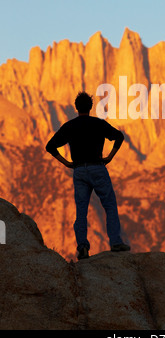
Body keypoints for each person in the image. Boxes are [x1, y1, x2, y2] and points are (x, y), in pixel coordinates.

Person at [45, 91, 130, 260]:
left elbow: (50, 146)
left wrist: (66, 162)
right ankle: (115, 242)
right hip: (98, 167)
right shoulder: (98, 124)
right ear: (91, 107)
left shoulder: (69, 126)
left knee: (81, 210)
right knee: (110, 205)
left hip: (79, 171)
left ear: (76, 108)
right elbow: (119, 137)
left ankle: (82, 247)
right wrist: (110, 157)